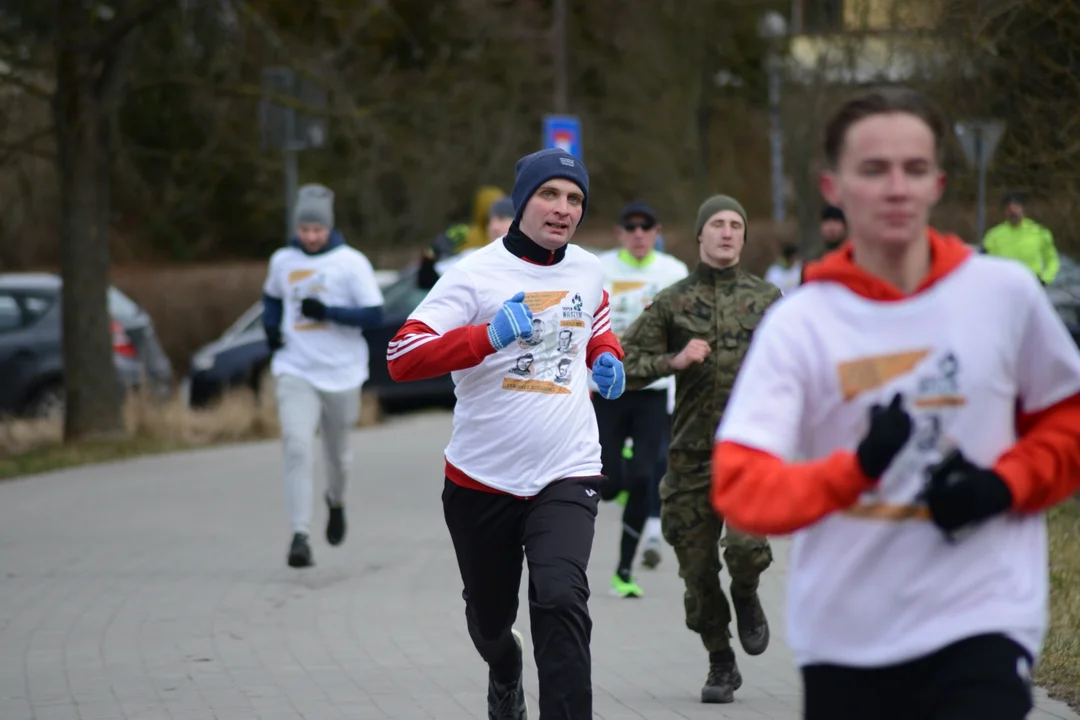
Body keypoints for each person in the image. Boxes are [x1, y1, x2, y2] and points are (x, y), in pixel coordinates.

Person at [711, 86, 1080, 720]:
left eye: (914, 169)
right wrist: (855, 471)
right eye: (874, 170)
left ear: (938, 182)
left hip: (982, 618)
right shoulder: (802, 323)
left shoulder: (1003, 294)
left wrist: (1003, 485)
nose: (896, 188)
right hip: (848, 635)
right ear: (833, 185)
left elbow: (1067, 419)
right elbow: (742, 486)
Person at [385, 148, 625, 720]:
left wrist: (608, 356)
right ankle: (504, 666)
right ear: (522, 201)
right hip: (481, 478)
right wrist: (484, 337)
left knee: (562, 599)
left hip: (567, 469)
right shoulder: (472, 274)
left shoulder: (589, 269)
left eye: (575, 199)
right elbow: (401, 355)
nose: (563, 209)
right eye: (550, 194)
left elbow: (596, 322)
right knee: (491, 621)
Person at [619, 193, 781, 704]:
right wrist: (674, 360)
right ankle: (720, 660)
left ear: (744, 236)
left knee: (744, 550)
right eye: (717, 224)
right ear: (699, 236)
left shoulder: (769, 299)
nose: (727, 232)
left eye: (736, 224)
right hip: (689, 456)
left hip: (750, 455)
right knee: (696, 569)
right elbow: (620, 367)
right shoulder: (672, 301)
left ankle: (748, 596)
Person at [261, 183, 386, 568]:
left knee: (338, 457)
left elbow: (374, 315)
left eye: (317, 230)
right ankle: (300, 535)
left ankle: (336, 500)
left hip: (342, 373)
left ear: (328, 228)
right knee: (297, 445)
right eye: (304, 230)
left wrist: (328, 312)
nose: (311, 237)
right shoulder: (282, 260)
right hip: (295, 368)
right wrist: (270, 327)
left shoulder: (351, 263)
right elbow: (272, 297)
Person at [593, 201, 689, 597]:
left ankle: (623, 573)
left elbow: (684, 326)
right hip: (606, 390)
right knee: (610, 483)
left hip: (652, 389)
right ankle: (621, 473)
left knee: (647, 477)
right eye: (630, 227)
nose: (637, 233)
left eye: (645, 227)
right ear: (619, 233)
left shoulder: (672, 272)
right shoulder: (599, 268)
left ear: (656, 231)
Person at [981, 190, 1060, 286]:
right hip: (1004, 286)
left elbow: (1052, 260)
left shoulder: (1039, 232)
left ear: (1022, 208)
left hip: (1031, 285)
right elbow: (985, 263)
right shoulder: (994, 235)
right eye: (1009, 209)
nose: (1013, 212)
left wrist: (1045, 280)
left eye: (1016, 207)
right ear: (1005, 212)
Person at [799, 204, 848, 284]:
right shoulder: (813, 259)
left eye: (836, 221)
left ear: (844, 225)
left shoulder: (855, 257)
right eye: (827, 222)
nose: (831, 227)